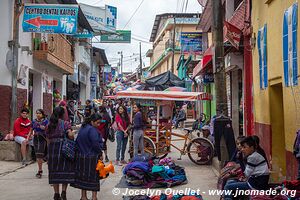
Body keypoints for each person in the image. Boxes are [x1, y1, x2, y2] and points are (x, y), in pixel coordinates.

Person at [71, 113, 103, 200]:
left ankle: (83, 196)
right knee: (94, 178)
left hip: (81, 156)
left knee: (83, 177)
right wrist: (100, 153)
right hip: (91, 158)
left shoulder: (83, 128)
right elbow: (95, 144)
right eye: (97, 123)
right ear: (92, 122)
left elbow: (77, 142)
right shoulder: (92, 130)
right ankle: (94, 197)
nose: (99, 125)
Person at [46, 106, 75, 200]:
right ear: (62, 114)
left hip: (52, 149)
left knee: (54, 171)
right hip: (63, 149)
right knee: (64, 170)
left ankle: (56, 194)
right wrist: (73, 133)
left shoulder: (49, 124)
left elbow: (47, 139)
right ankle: (63, 192)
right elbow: (70, 135)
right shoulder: (65, 123)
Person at [30, 109, 49, 178]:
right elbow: (31, 130)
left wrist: (45, 128)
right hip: (35, 138)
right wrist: (28, 138)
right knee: (37, 155)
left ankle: (41, 170)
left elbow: (49, 130)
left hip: (43, 139)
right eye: (37, 113)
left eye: (39, 113)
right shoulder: (34, 121)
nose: (38, 114)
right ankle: (40, 170)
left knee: (40, 155)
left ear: (42, 114)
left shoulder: (46, 121)